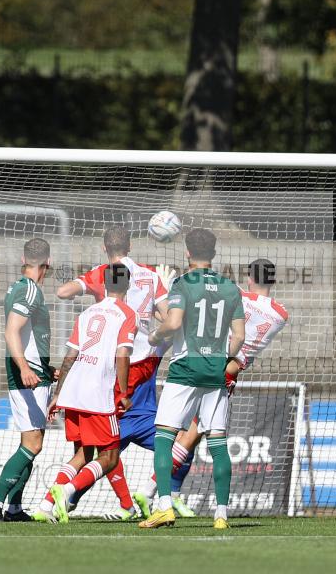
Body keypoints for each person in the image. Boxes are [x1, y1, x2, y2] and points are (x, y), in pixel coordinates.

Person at [134, 258, 289, 518]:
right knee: (197, 436)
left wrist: (168, 283)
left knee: (184, 434)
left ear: (249, 278)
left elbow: (204, 293)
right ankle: (152, 491)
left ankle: (164, 494)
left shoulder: (236, 294)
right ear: (272, 280)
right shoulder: (281, 314)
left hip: (204, 360)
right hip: (227, 371)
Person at [55, 226, 169, 519]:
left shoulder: (102, 273)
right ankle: (133, 501)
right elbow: (168, 319)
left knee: (101, 445)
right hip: (143, 366)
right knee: (116, 443)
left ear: (105, 247)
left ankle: (63, 497)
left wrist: (91, 287)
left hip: (106, 369)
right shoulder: (150, 275)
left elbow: (62, 292)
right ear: (130, 245)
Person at [139, 228, 246, 530]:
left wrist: (154, 335)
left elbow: (172, 323)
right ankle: (222, 514)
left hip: (185, 368)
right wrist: (223, 358)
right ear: (213, 254)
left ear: (187, 252)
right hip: (215, 369)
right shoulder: (230, 287)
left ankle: (163, 508)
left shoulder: (182, 283)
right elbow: (239, 336)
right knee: (218, 441)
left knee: (164, 437)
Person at [35, 263, 137, 523]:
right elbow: (123, 353)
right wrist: (124, 392)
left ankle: (45, 506)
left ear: (103, 285)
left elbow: (70, 356)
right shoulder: (127, 313)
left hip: (74, 390)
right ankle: (66, 490)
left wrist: (58, 394)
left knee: (82, 454)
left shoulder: (88, 312)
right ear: (128, 286)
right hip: (98, 394)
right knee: (110, 457)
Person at [0, 238, 55, 523]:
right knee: (32, 444)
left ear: (24, 259)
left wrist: (48, 370)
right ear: (48, 263)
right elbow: (12, 332)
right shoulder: (29, 290)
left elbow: (28, 338)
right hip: (28, 375)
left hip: (36, 371)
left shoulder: (20, 287)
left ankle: (14, 507)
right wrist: (25, 368)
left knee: (33, 441)